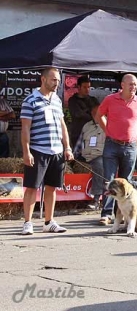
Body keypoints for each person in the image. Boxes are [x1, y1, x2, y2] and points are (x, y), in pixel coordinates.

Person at [20, 68, 73, 235]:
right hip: (37, 149)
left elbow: (63, 125)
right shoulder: (30, 100)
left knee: (52, 187)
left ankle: (49, 222)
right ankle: (28, 223)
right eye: (53, 80)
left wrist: (67, 147)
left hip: (56, 151)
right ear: (43, 79)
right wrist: (26, 151)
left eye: (58, 80)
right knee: (31, 187)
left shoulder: (57, 100)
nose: (56, 83)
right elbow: (25, 128)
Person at [96, 74, 137, 225]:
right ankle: (106, 214)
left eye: (135, 85)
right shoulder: (110, 99)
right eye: (131, 84)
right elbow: (99, 115)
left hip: (131, 145)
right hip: (112, 144)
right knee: (109, 179)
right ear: (122, 85)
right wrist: (106, 130)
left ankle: (123, 214)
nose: (133, 87)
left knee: (127, 182)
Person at [73, 105, 106, 207]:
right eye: (94, 113)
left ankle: (96, 199)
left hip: (99, 156)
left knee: (99, 165)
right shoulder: (87, 126)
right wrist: (73, 156)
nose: (96, 115)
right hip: (85, 156)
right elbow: (79, 142)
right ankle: (74, 199)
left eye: (98, 113)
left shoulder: (108, 125)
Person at [68, 75, 98, 148]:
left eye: (88, 87)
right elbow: (78, 114)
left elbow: (98, 114)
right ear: (78, 87)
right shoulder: (73, 100)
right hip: (78, 134)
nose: (87, 89)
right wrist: (90, 112)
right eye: (84, 87)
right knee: (78, 157)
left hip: (92, 133)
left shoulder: (93, 100)